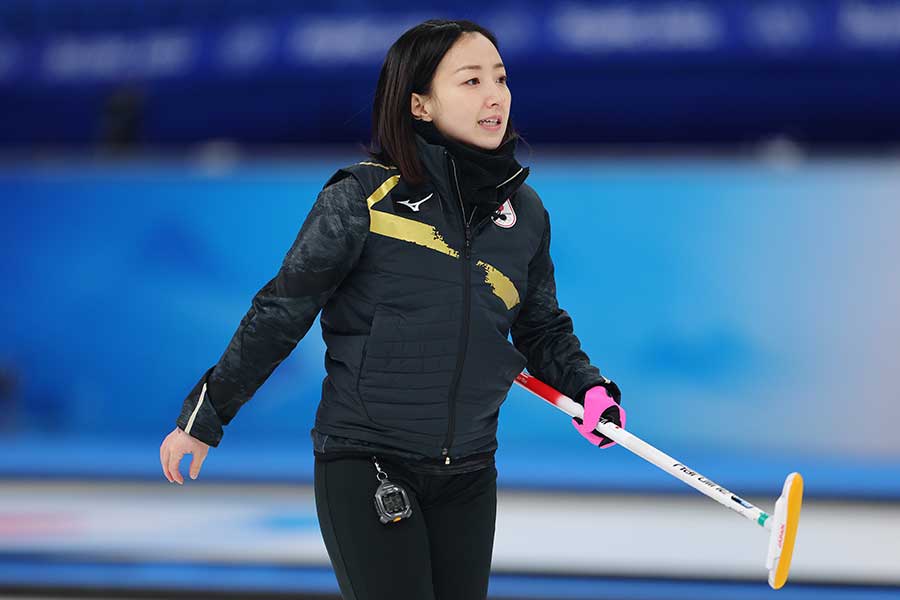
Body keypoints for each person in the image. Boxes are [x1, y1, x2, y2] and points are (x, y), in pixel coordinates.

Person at [159, 18, 624, 600]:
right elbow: (281, 311)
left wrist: (589, 387)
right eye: (471, 80)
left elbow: (541, 325)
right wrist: (205, 416)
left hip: (470, 473)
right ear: (420, 104)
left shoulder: (524, 213)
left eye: (500, 79)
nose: (494, 95)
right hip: (368, 462)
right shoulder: (361, 197)